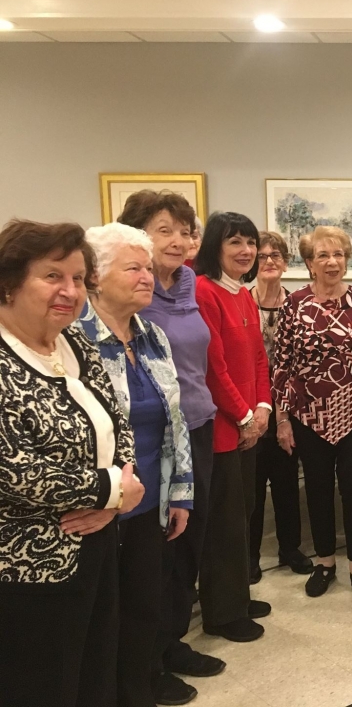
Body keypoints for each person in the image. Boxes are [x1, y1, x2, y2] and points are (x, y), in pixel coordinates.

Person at [0, 220, 144, 707]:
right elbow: (17, 470)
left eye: (79, 278)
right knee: (41, 683)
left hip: (96, 544)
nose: (70, 291)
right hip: (28, 566)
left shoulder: (74, 343)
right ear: (9, 282)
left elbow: (118, 423)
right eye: (52, 276)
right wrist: (113, 491)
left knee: (95, 669)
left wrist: (117, 497)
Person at [77, 223, 194, 707]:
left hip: (150, 497)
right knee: (102, 618)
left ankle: (141, 687)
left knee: (145, 604)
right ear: (96, 278)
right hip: (95, 507)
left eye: (149, 268)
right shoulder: (73, 343)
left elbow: (175, 421)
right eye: (134, 268)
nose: (148, 277)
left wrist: (182, 490)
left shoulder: (153, 337)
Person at [118, 190, 223, 704]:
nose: (179, 241)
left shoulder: (189, 287)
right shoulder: (131, 295)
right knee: (153, 552)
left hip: (196, 427)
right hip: (153, 436)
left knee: (189, 542)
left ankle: (174, 640)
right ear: (137, 234)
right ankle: (147, 660)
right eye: (165, 230)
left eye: (185, 230)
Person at [271, 226, 352, 603]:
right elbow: (281, 365)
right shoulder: (295, 305)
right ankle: (324, 562)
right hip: (309, 415)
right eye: (323, 255)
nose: (332, 261)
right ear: (309, 262)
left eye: (338, 254)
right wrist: (283, 418)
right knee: (318, 489)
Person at [194, 212, 272, 642]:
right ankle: (222, 614)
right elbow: (213, 367)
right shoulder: (205, 292)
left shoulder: (243, 294)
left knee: (243, 515)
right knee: (223, 524)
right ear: (215, 247)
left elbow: (260, 358)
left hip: (249, 424)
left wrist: (262, 408)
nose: (246, 251)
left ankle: (236, 596)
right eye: (235, 242)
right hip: (225, 429)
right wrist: (244, 416)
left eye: (250, 242)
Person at [248, 231, 312, 583]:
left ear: (286, 263)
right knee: (252, 484)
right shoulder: (241, 301)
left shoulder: (299, 305)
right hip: (251, 408)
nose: (269, 261)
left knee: (287, 480)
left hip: (289, 407)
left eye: (276, 255)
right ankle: (250, 555)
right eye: (262, 256)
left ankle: (290, 548)